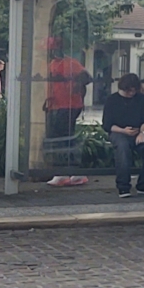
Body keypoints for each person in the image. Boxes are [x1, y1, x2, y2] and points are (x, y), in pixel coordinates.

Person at [101, 73, 144, 198]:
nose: (131, 94)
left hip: (138, 131)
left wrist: (142, 133)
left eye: (134, 91)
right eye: (128, 91)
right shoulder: (112, 100)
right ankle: (123, 186)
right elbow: (107, 125)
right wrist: (123, 131)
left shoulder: (141, 99)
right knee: (122, 147)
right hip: (118, 132)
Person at [44, 39, 92, 187]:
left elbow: (87, 77)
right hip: (58, 105)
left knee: (65, 137)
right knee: (60, 137)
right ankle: (67, 171)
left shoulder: (71, 63)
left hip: (70, 104)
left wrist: (75, 86)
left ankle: (71, 171)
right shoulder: (52, 64)